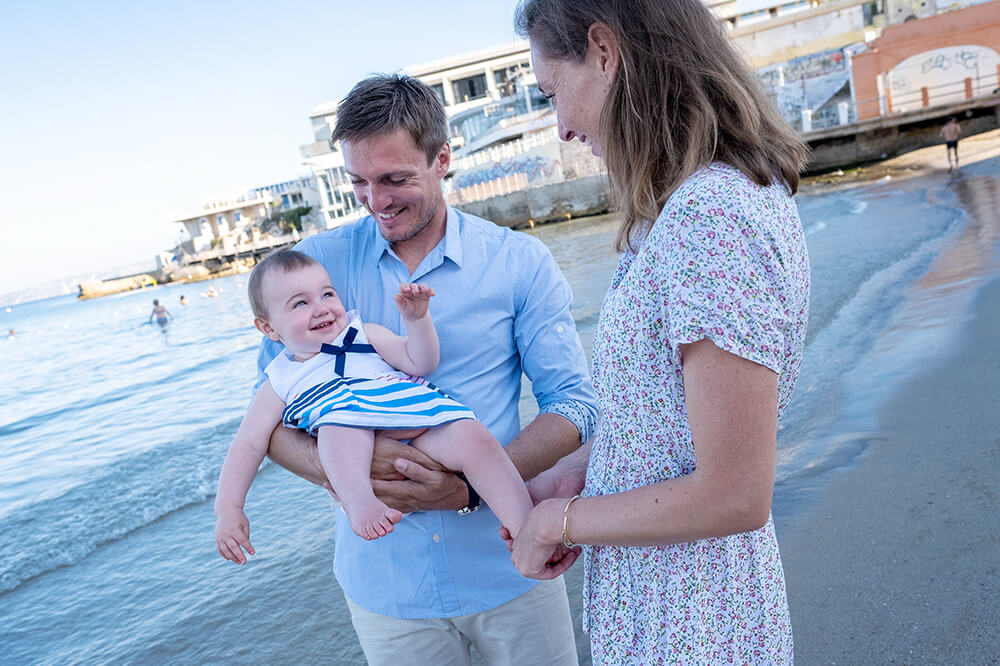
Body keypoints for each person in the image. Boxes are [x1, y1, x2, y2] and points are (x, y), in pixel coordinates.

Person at [256, 74, 597, 665]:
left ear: (443, 158)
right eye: (358, 182)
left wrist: (464, 488)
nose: (375, 200)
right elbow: (269, 419)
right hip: (384, 587)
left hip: (508, 569)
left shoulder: (519, 263)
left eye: (394, 179)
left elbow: (574, 405)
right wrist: (340, 472)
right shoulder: (317, 268)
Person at [508, 1, 810, 663]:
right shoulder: (691, 208)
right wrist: (581, 471)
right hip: (678, 605)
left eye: (552, 91)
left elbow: (734, 493)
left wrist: (562, 521)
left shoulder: (710, 217)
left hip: (695, 620)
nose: (559, 126)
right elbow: (670, 423)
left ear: (606, 53)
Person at [215, 250, 532, 549]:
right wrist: (229, 509)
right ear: (268, 327)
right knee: (339, 423)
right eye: (300, 304)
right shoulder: (280, 380)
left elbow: (420, 362)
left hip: (417, 423)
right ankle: (358, 499)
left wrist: (417, 320)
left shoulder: (364, 334)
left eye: (327, 294)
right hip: (355, 444)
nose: (321, 307)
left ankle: (525, 526)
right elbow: (248, 444)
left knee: (474, 437)